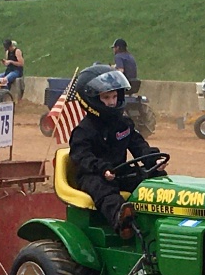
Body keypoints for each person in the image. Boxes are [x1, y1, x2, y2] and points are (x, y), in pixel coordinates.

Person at [68, 64, 167, 239]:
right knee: (105, 191)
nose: (112, 102)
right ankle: (123, 222)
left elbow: (138, 145)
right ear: (91, 99)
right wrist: (102, 169)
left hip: (119, 172)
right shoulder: (83, 131)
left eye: (114, 96)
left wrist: (153, 160)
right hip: (93, 175)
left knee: (154, 177)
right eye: (106, 97)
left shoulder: (123, 124)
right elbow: (81, 157)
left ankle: (159, 222)